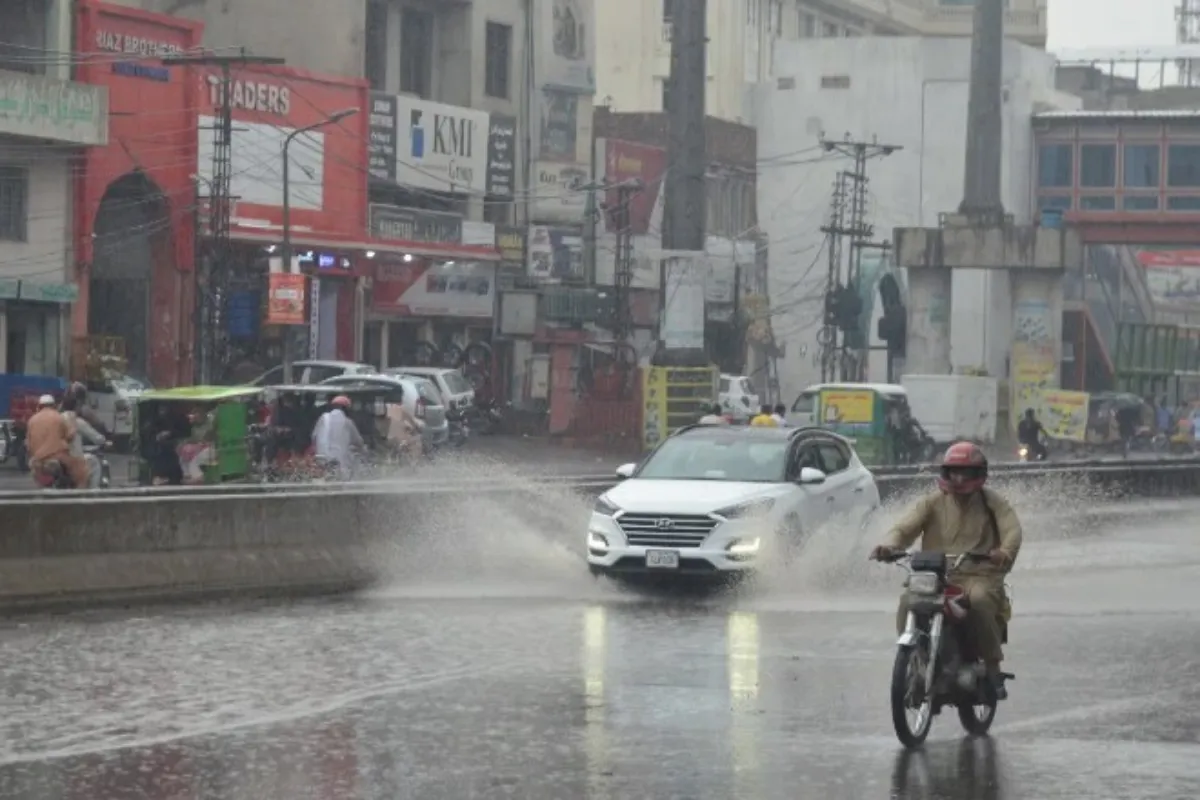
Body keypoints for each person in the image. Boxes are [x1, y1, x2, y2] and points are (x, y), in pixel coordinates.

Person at [868, 441, 1022, 699]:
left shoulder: (992, 502)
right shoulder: (932, 503)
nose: (959, 478)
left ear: (978, 474)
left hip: (979, 574)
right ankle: (916, 658)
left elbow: (1012, 530)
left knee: (981, 600)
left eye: (965, 472)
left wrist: (1004, 553)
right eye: (954, 471)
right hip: (935, 575)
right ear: (945, 473)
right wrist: (889, 546)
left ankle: (993, 666)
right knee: (909, 601)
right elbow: (905, 528)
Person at [26, 395, 89, 489]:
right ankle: (81, 495)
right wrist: (74, 428)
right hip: (57, 455)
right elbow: (68, 436)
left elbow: (28, 444)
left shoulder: (32, 420)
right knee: (80, 468)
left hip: (37, 458)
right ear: (53, 405)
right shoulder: (58, 417)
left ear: (39, 406)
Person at [61, 393, 109, 488]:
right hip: (74, 458)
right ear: (76, 407)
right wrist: (104, 441)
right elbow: (95, 437)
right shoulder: (76, 421)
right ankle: (93, 493)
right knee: (95, 463)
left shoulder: (57, 419)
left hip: (59, 457)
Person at [312, 395, 365, 479]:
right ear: (345, 408)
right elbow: (358, 441)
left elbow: (314, 437)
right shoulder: (347, 422)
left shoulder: (323, 418)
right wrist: (363, 449)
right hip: (340, 460)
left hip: (321, 457)